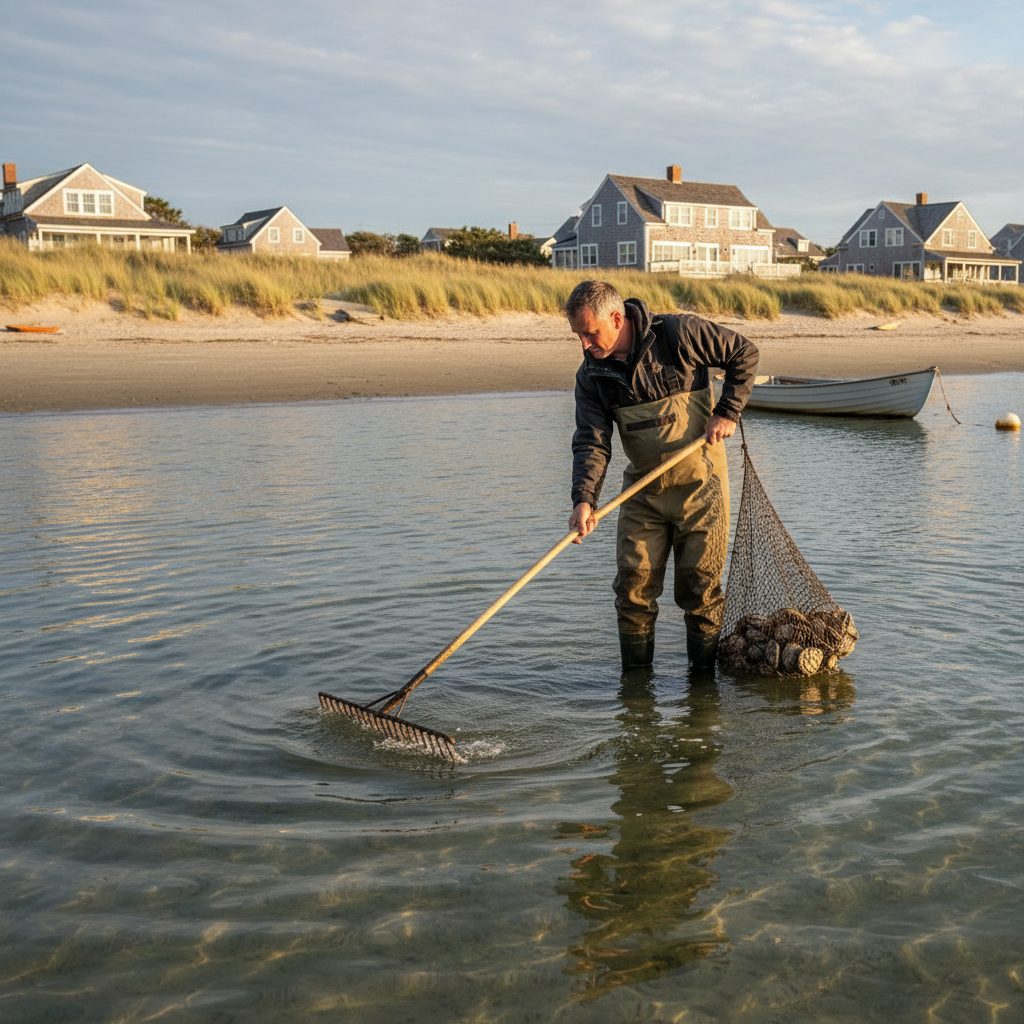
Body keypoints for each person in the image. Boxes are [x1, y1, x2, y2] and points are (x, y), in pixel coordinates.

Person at [565, 280, 758, 674]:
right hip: (642, 494)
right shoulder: (592, 376)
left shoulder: (678, 334)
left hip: (701, 490)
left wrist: (728, 410)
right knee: (633, 594)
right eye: (578, 335)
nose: (584, 344)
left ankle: (702, 691)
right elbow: (592, 442)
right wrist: (584, 499)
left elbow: (744, 353)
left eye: (589, 332)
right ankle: (635, 694)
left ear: (617, 319)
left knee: (700, 592)